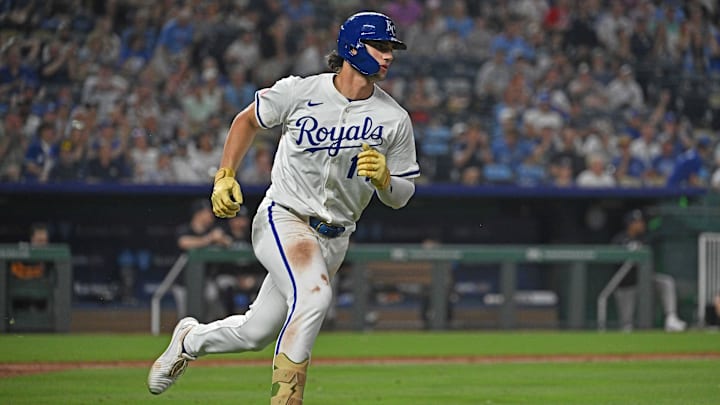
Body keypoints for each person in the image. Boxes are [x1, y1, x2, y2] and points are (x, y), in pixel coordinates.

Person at [148, 12, 419, 404]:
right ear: (352, 48)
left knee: (254, 332)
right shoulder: (300, 91)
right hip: (285, 217)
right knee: (314, 297)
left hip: (335, 238)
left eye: (391, 48)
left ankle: (189, 340)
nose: (389, 56)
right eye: (381, 46)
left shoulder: (394, 118)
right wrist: (225, 174)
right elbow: (247, 120)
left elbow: (402, 196)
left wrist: (386, 181)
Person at [612, 209, 687, 332]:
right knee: (626, 324)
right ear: (631, 224)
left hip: (644, 282)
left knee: (666, 282)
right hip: (626, 286)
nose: (642, 224)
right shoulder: (620, 238)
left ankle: (671, 318)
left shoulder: (645, 238)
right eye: (638, 222)